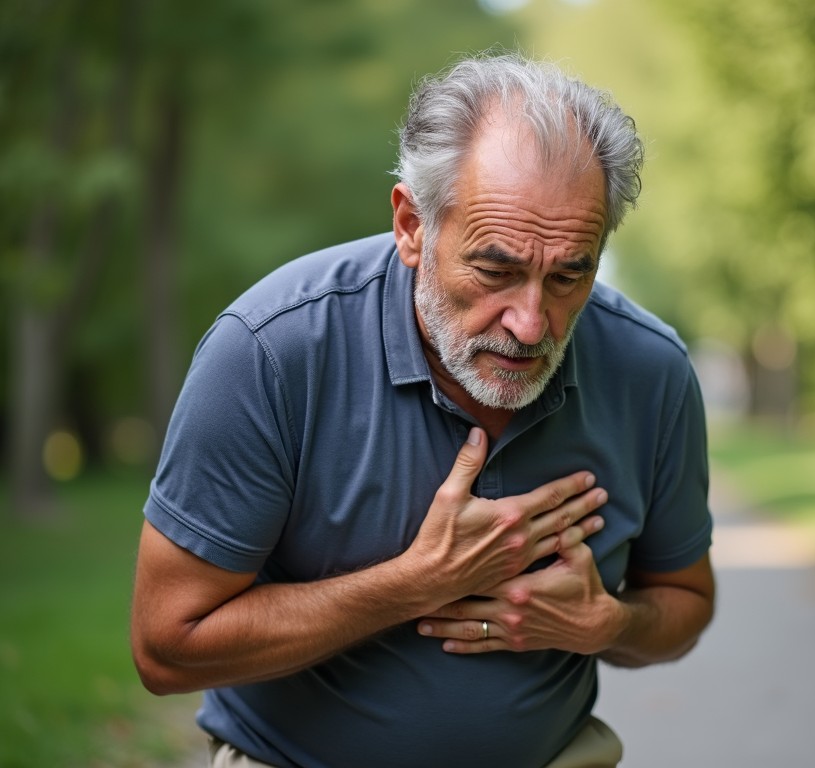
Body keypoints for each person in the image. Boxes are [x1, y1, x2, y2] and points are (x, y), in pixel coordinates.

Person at [131, 51, 715, 768]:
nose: (531, 323)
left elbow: (685, 603)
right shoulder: (269, 350)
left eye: (570, 274)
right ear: (412, 225)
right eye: (496, 270)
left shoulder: (650, 371)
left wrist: (607, 624)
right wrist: (417, 583)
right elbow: (166, 648)